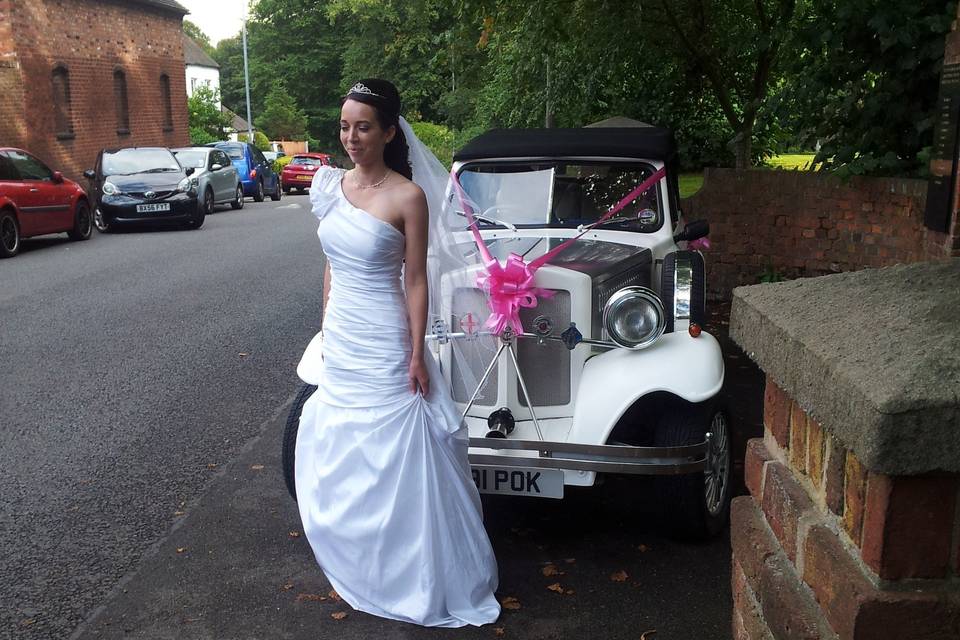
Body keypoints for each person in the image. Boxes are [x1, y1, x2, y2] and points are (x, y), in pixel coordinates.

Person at [293, 79, 501, 628]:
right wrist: (325, 323)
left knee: (399, 442)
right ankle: (359, 559)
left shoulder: (407, 196)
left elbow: (415, 280)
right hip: (343, 332)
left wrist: (416, 353)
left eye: (364, 126)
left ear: (388, 131)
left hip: (386, 335)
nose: (352, 137)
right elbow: (332, 263)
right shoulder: (329, 186)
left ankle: (413, 571)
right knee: (344, 439)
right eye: (345, 126)